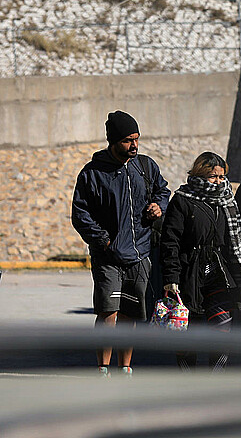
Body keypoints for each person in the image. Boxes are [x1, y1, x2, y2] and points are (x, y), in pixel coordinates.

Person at [71, 110, 170, 378]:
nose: (134, 145)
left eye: (136, 139)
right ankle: (103, 369)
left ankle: (125, 367)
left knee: (131, 315)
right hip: (108, 257)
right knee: (108, 314)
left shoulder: (146, 167)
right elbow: (80, 215)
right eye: (128, 140)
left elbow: (163, 190)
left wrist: (158, 206)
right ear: (113, 141)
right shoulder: (92, 173)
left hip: (140, 255)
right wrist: (103, 241)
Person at [160, 152, 241, 371]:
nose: (218, 181)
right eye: (213, 176)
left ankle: (215, 379)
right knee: (190, 331)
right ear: (199, 174)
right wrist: (171, 278)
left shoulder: (226, 201)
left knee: (222, 327)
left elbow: (233, 240)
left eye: (221, 176)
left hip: (219, 273)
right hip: (190, 273)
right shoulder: (182, 200)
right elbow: (171, 241)